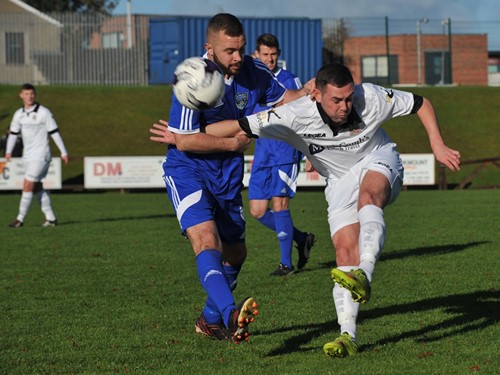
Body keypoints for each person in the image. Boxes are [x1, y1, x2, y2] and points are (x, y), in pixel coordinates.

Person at [151, 63, 461, 355]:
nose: (345, 106)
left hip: (378, 158)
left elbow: (420, 102)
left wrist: (437, 143)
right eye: (337, 100)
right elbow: (238, 125)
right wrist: (183, 137)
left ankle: (365, 274)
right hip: (338, 181)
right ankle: (347, 336)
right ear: (315, 94)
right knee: (343, 253)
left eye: (349, 98)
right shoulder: (293, 114)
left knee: (368, 198)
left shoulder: (372, 97)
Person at [150, 13, 313, 343]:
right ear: (209, 48)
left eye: (240, 49)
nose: (237, 57)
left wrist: (310, 92)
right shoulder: (192, 76)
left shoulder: (253, 71)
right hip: (188, 170)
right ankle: (229, 314)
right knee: (207, 240)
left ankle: (210, 319)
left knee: (236, 254)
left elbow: (284, 100)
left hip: (227, 175)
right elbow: (184, 139)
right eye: (229, 51)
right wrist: (234, 142)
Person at [250, 33, 315, 276]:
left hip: (285, 150)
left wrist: (310, 151)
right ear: (257, 54)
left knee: (279, 204)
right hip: (263, 151)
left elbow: (306, 115)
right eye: (265, 55)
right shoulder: (252, 79)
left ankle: (285, 265)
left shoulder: (289, 80)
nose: (269, 59)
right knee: (257, 210)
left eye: (273, 55)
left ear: (279, 54)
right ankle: (301, 238)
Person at [5, 83, 69, 228]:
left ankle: (19, 219)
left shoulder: (44, 112)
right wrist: (8, 151)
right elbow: (13, 134)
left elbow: (54, 132)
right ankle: (51, 219)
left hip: (42, 155)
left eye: (32, 94)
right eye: (26, 94)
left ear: (35, 95)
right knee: (37, 186)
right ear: (21, 95)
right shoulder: (18, 114)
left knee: (27, 184)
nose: (29, 96)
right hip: (27, 156)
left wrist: (63, 152)